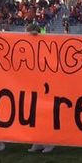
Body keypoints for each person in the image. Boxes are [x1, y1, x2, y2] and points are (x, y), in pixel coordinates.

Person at [25, 22, 54, 153]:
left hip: (44, 84)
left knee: (45, 114)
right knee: (32, 114)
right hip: (30, 84)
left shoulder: (44, 44)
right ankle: (37, 141)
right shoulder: (24, 46)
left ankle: (49, 142)